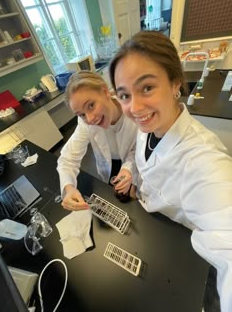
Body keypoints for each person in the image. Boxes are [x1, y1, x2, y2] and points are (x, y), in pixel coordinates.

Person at [109, 30, 232, 312]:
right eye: (124, 95)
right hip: (152, 230)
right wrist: (132, 175)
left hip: (184, 255)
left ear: (175, 81)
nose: (134, 107)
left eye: (147, 88)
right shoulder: (150, 126)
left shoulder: (204, 159)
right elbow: (144, 161)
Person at [57, 71, 138, 211]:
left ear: (105, 91)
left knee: (133, 199)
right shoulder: (85, 123)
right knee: (112, 192)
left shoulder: (134, 110)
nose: (90, 119)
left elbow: (141, 148)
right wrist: (68, 188)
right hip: (109, 165)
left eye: (91, 105)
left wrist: (129, 169)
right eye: (81, 114)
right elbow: (68, 158)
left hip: (136, 160)